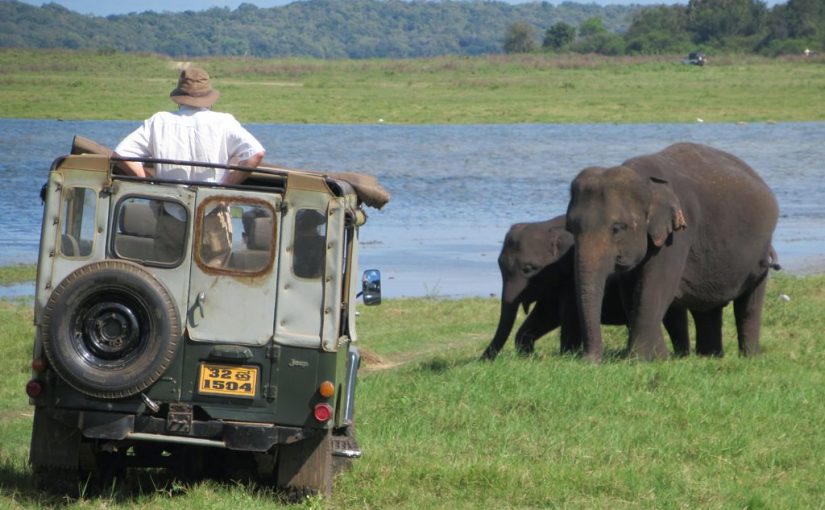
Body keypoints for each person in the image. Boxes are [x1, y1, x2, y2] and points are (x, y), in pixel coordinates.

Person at [114, 67, 266, 263]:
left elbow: (121, 153)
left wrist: (150, 183)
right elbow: (256, 153)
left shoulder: (159, 122)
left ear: (179, 98)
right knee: (213, 275)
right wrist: (224, 188)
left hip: (171, 212)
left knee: (168, 275)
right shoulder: (223, 122)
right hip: (211, 212)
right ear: (209, 99)